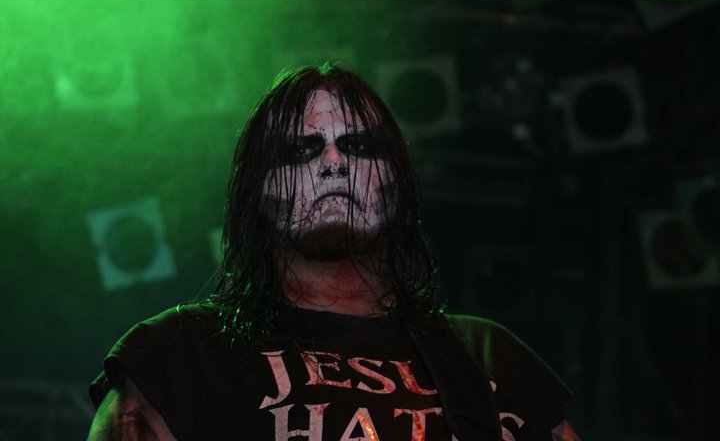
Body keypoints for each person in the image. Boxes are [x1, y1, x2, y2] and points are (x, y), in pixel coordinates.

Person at [87, 63, 580, 440]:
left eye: (359, 146)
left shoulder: (489, 356)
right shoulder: (179, 353)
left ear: (397, 184)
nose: (333, 161)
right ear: (258, 190)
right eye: (300, 150)